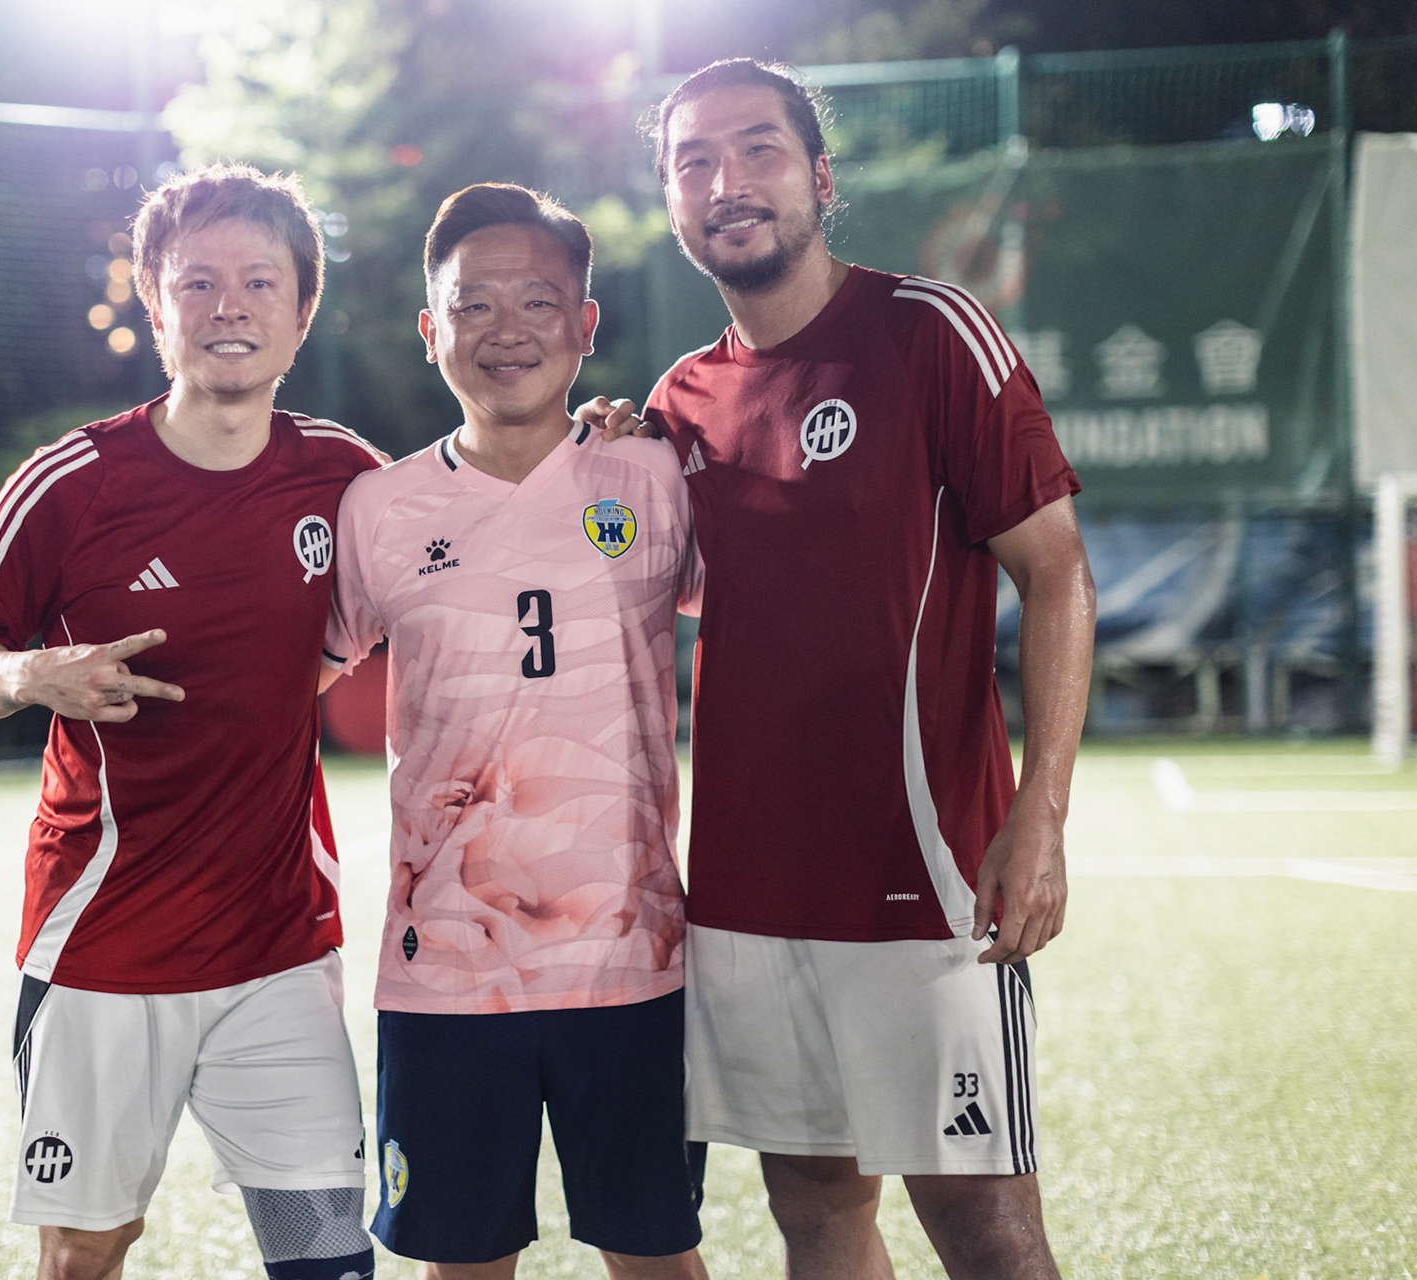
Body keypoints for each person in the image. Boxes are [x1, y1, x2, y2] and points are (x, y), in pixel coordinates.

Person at [582, 60, 1097, 1280]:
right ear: (671, 204)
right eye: (694, 162)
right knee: (814, 1214)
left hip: (927, 876)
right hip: (750, 891)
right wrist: (610, 470)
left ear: (818, 178)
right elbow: (684, 583)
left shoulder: (929, 332)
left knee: (984, 1230)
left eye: (757, 151)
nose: (727, 182)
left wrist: (1043, 813)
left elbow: (1059, 572)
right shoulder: (681, 403)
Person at [0, 165, 383, 1280]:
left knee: (325, 1254)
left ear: (301, 308)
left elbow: (476, 531)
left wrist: (601, 441)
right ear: (155, 302)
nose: (230, 306)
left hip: (281, 944)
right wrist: (36, 673)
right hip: (102, 944)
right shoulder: (70, 483)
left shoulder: (348, 477)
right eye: (200, 282)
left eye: (259, 281)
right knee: (86, 1250)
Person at [321, 184, 708, 1280]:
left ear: (586, 325)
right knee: (462, 1261)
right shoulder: (381, 509)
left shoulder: (652, 475)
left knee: (658, 1256)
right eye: (472, 303)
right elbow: (291, 673)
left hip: (630, 959)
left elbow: (765, 616)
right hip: (448, 966)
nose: (507, 329)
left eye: (538, 301)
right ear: (430, 329)